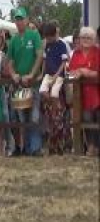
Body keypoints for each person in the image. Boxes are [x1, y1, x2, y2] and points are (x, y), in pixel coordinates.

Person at [7, 7, 43, 155]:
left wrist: (32, 74)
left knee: (34, 116)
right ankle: (28, 148)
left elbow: (39, 55)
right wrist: (14, 74)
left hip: (32, 83)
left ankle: (35, 148)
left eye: (21, 18)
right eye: (17, 19)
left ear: (27, 20)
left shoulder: (34, 35)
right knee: (22, 117)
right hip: (19, 84)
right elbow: (9, 61)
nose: (19, 21)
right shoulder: (14, 40)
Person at [69, 27, 100, 155]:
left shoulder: (97, 52)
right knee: (87, 119)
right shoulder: (76, 54)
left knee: (98, 118)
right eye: (83, 37)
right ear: (79, 39)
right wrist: (78, 72)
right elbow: (71, 71)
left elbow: (98, 73)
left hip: (97, 92)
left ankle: (97, 147)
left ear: (93, 40)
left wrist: (84, 72)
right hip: (82, 95)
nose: (86, 40)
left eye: (89, 38)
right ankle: (91, 146)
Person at [39, 23, 69, 154]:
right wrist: (42, 73)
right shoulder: (47, 45)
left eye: (49, 37)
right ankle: (51, 147)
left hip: (58, 80)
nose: (48, 39)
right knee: (50, 120)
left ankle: (61, 147)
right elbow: (44, 61)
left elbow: (64, 62)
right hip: (48, 76)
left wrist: (57, 75)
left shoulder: (62, 45)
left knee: (59, 120)